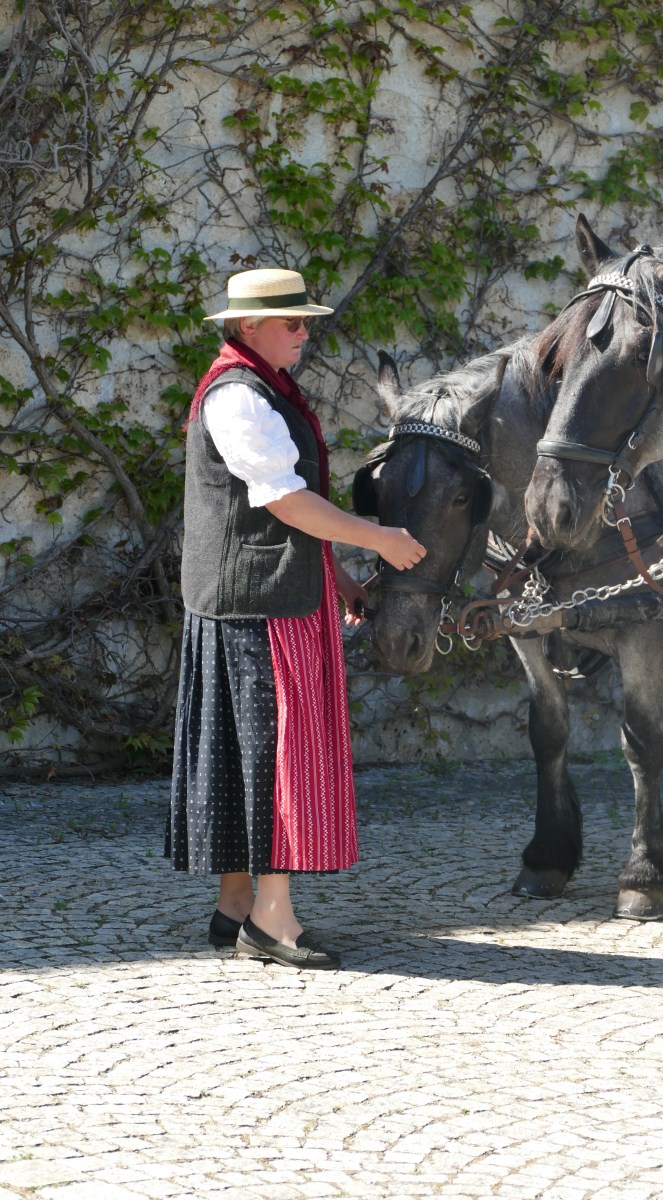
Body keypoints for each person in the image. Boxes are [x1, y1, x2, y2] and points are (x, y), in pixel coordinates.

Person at [167, 267, 425, 970]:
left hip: (261, 596)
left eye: (307, 321)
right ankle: (271, 921)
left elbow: (282, 507)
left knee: (241, 751)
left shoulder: (262, 388)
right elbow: (282, 500)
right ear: (247, 326)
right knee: (272, 756)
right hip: (257, 607)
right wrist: (379, 541)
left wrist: (335, 573)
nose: (305, 334)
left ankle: (234, 904)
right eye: (292, 323)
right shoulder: (239, 398)